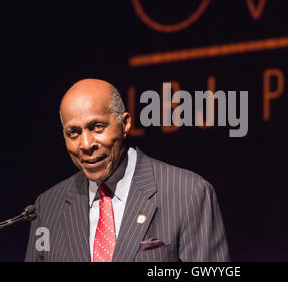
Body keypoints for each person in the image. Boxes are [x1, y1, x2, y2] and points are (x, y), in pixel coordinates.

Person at [25, 78, 230, 262]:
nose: (86, 144)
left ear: (125, 124)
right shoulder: (47, 207)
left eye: (97, 127)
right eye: (74, 133)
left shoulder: (188, 193)